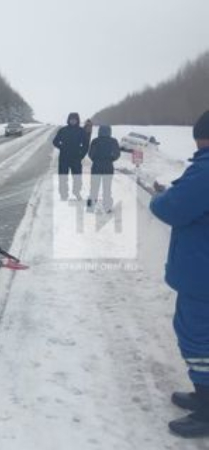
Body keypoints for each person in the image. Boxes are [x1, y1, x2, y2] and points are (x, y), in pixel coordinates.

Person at [150, 110, 209, 438]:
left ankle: (207, 407)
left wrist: (161, 196)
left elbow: (171, 208)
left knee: (198, 337)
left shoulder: (207, 170)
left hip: (203, 274)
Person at [52, 112, 89, 201]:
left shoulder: (81, 131)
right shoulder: (63, 130)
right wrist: (62, 147)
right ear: (68, 120)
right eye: (71, 119)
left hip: (76, 158)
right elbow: (55, 141)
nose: (73, 121)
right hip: (64, 158)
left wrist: (81, 154)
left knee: (77, 177)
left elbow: (86, 145)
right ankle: (63, 194)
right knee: (63, 177)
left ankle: (76, 192)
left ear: (77, 120)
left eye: (75, 120)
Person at [86, 125, 120, 212]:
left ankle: (91, 206)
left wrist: (96, 159)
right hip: (108, 167)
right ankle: (107, 207)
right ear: (109, 131)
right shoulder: (113, 141)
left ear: (99, 131)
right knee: (107, 188)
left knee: (94, 187)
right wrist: (110, 159)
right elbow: (117, 154)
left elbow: (90, 154)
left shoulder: (95, 141)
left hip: (96, 166)